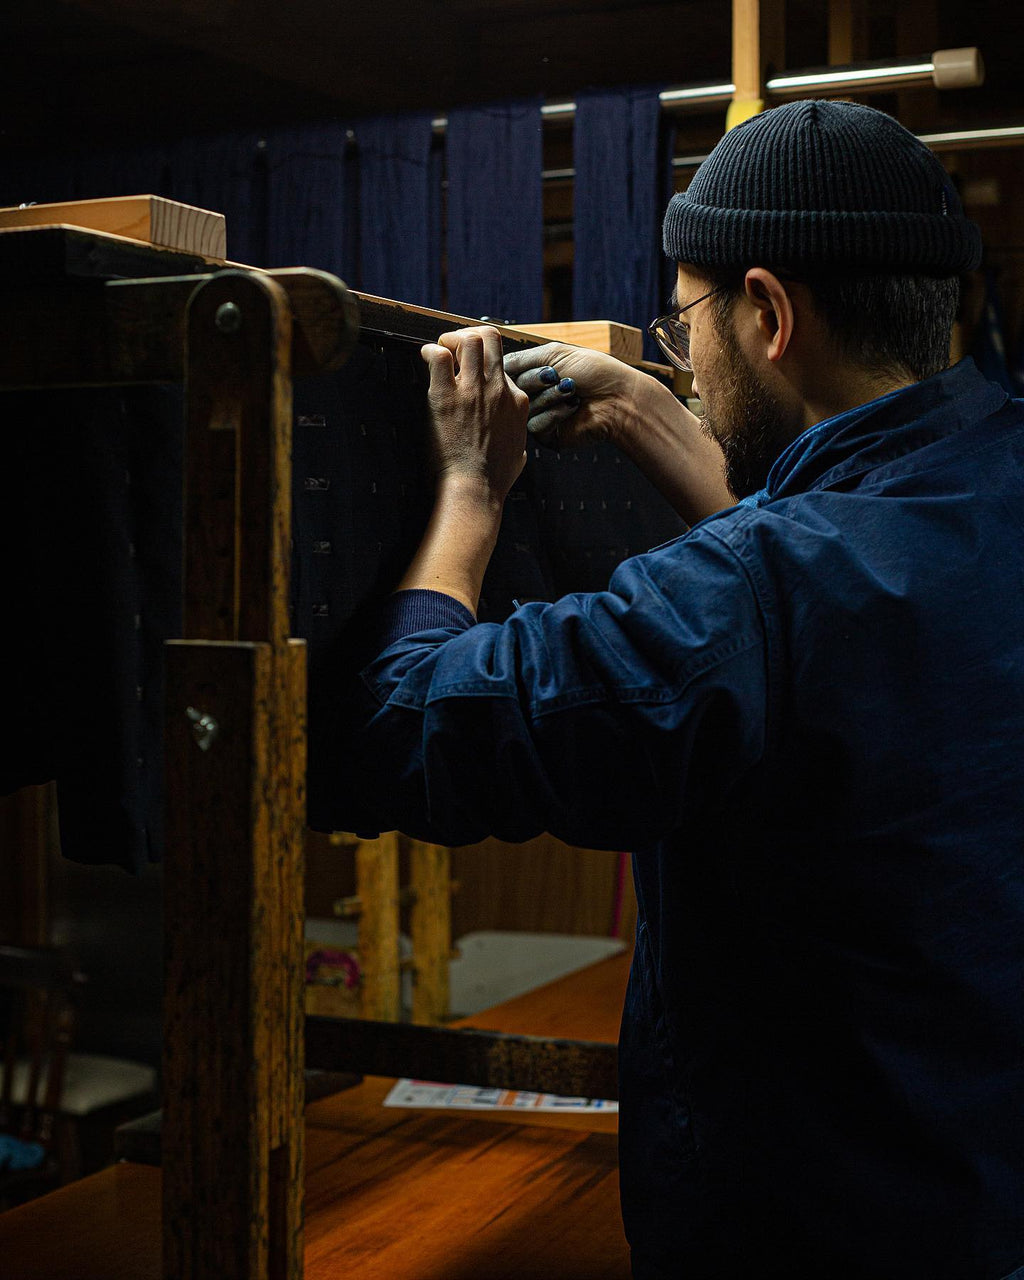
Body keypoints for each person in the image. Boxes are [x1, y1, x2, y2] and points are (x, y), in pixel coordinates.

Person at [339, 100, 1024, 1278]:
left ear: (766, 313)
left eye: (686, 319)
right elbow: (850, 583)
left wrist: (469, 491)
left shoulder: (740, 589)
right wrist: (656, 411)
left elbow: (402, 719)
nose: (681, 350)